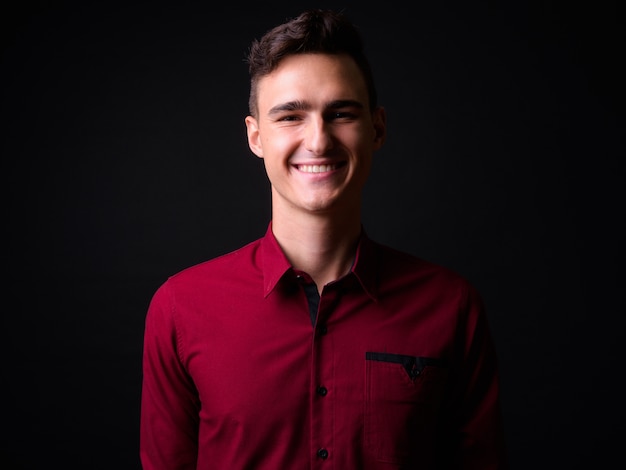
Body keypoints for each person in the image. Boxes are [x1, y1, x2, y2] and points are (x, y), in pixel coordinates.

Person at [140, 8, 508, 469]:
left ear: (377, 128)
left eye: (340, 113)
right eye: (290, 116)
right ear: (256, 137)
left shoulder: (452, 307)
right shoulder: (180, 308)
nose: (318, 140)